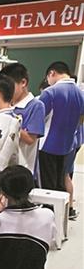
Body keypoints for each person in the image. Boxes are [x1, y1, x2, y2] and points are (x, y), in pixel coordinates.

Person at [37, 62, 84, 195]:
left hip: (47, 145)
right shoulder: (80, 94)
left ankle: (48, 208)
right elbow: (81, 120)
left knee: (47, 188)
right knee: (60, 184)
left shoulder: (50, 92)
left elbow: (38, 118)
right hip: (67, 146)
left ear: (52, 73)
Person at [0, 63, 45, 178]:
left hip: (23, 168)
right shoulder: (7, 104)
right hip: (4, 165)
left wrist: (10, 123)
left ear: (23, 83)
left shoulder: (36, 106)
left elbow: (30, 139)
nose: (6, 90)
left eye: (10, 86)